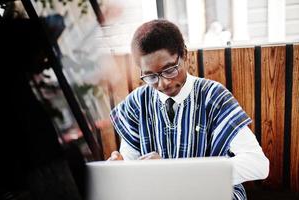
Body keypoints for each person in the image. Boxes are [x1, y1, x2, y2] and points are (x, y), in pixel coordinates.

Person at [108, 19, 269, 200]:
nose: (163, 83)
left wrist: (178, 174)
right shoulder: (136, 104)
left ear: (185, 55)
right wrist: (119, 172)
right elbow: (133, 168)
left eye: (170, 69)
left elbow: (258, 165)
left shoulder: (213, 97)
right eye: (151, 76)